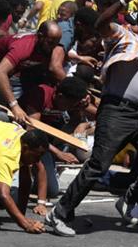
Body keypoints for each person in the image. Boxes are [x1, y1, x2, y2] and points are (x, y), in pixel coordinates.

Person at [44, 2, 138, 237]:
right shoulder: (124, 36)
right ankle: (59, 213)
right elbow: (101, 24)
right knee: (98, 165)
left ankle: (134, 203)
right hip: (116, 110)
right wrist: (122, 1)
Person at [20, 76, 93, 207]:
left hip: (46, 141)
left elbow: (82, 118)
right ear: (59, 95)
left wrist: (80, 109)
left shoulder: (70, 101)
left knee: (52, 191)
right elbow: (31, 131)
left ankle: (36, 180)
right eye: (70, 104)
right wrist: (58, 153)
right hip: (26, 140)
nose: (70, 107)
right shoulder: (42, 94)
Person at [0, 20, 64, 123]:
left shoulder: (47, 49)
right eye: (50, 42)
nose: (53, 47)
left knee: (2, 113)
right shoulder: (24, 46)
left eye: (56, 43)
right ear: (40, 36)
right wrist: (14, 105)